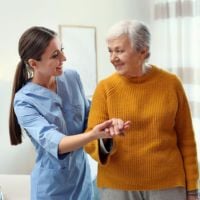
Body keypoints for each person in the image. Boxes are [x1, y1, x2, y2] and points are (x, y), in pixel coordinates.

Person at [9, 26, 130, 200]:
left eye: (61, 51)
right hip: (51, 190)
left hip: (83, 183)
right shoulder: (24, 101)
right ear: (33, 64)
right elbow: (56, 143)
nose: (63, 58)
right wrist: (94, 135)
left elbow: (92, 116)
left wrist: (109, 125)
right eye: (55, 56)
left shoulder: (72, 78)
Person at [84, 20, 199, 200]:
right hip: (117, 187)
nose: (112, 57)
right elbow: (90, 142)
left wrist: (193, 189)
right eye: (110, 50)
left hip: (167, 184)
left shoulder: (171, 83)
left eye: (119, 50)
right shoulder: (105, 88)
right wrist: (107, 137)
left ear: (143, 51)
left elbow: (186, 139)